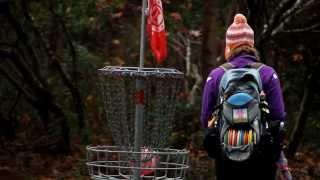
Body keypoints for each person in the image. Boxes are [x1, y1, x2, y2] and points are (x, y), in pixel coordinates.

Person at [201, 13, 287, 180]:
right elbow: (278, 116)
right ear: (251, 45)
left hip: (226, 156)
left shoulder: (216, 75)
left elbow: (206, 119)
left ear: (229, 47)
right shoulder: (268, 73)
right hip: (262, 156)